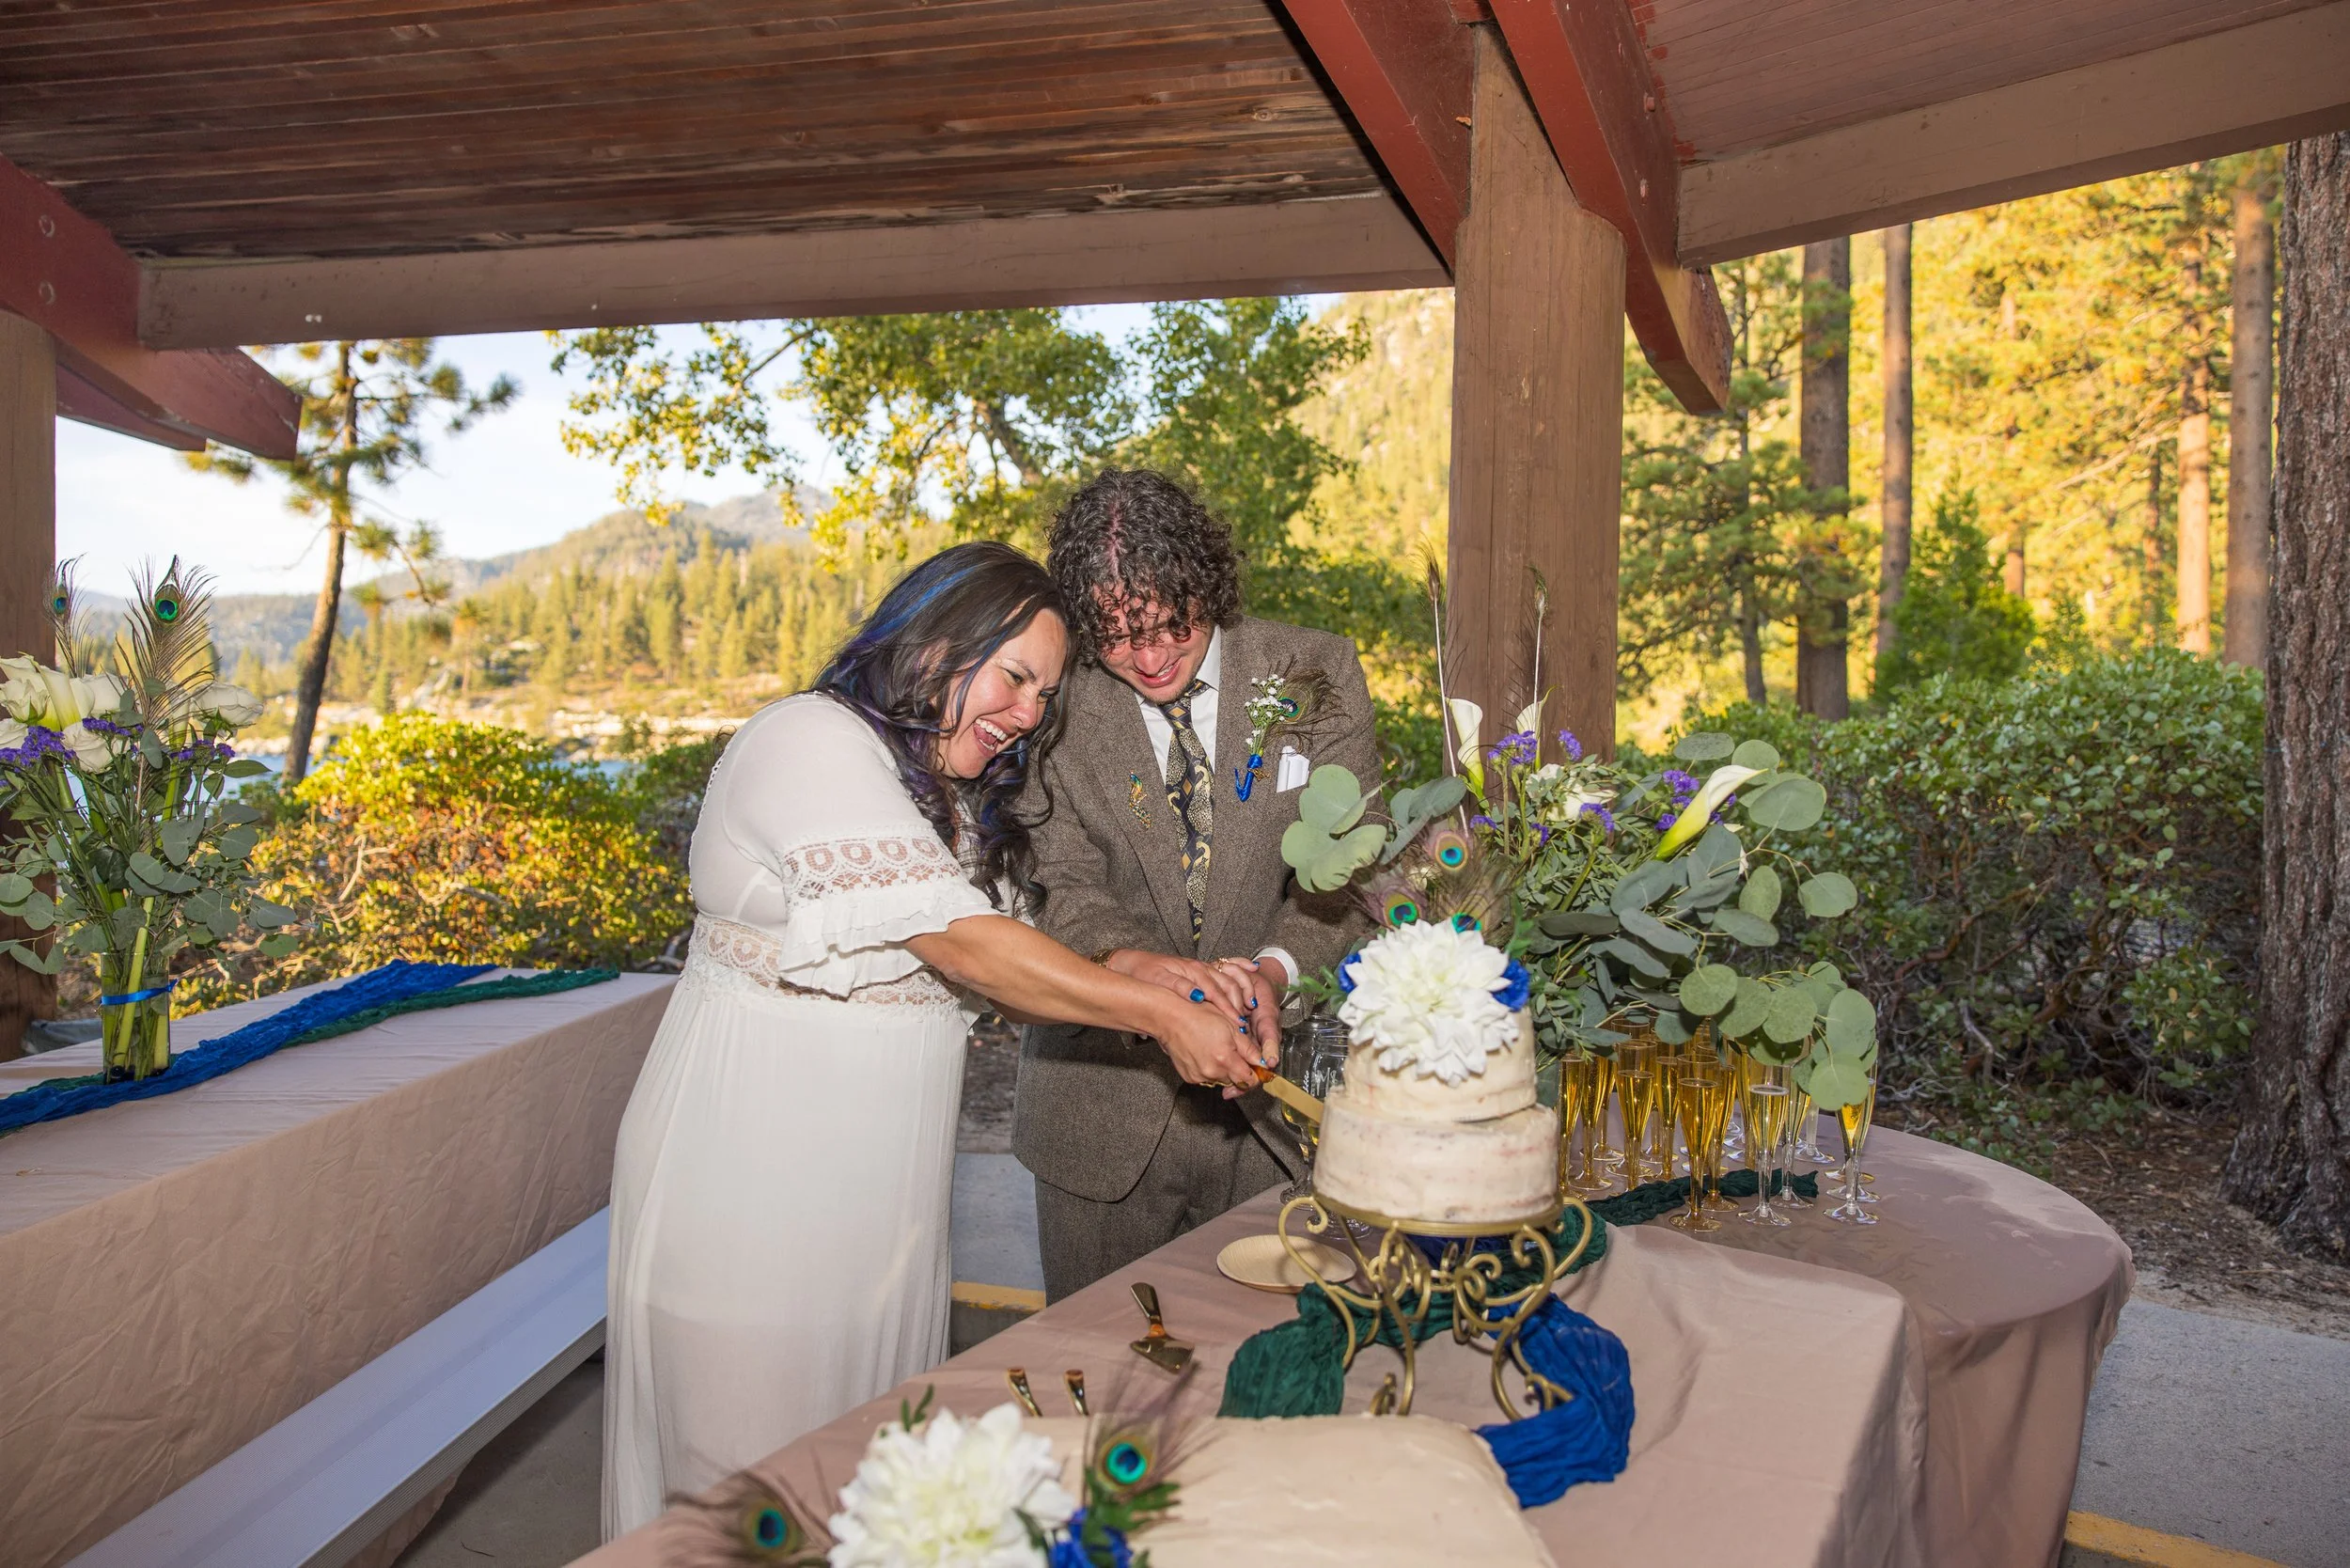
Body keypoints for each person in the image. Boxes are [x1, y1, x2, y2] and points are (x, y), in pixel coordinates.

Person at [602, 541, 1264, 1537]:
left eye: (1045, 694)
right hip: (751, 1185)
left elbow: (1018, 959)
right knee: (746, 1491)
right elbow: (963, 944)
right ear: (932, 643)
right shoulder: (807, 741)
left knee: (867, 1468)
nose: (1029, 714)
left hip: (883, 1202)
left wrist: (1149, 972)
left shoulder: (938, 801)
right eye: (1015, 677)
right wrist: (1163, 1020)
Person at [1015, 470, 1380, 1302]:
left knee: (1269, 1364)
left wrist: (1276, 970)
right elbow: (1059, 880)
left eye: (1170, 628)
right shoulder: (1050, 698)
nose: (1146, 659)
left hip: (1270, 1111)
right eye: (1113, 638)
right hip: (1097, 1111)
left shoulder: (1312, 669)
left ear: (1206, 584)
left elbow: (1352, 862)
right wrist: (1140, 969)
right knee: (1098, 1362)